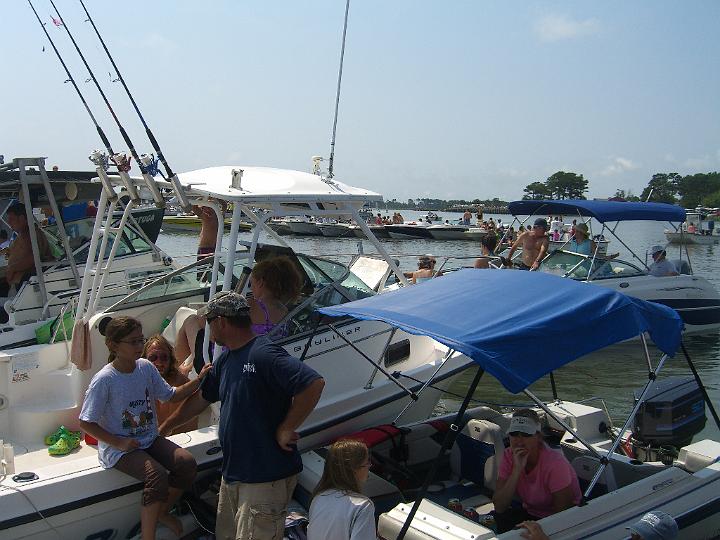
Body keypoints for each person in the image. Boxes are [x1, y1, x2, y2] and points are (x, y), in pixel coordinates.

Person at [159, 291, 325, 540]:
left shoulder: (263, 353)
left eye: (209, 321)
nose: (207, 328)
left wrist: (286, 427)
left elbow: (313, 383)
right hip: (234, 476)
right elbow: (201, 399)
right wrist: (165, 428)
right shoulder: (226, 359)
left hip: (264, 479)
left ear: (221, 321)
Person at [79, 316, 210, 540]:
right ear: (113, 345)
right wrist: (119, 442)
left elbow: (171, 395)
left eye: (141, 340)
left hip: (149, 438)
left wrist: (199, 380)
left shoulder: (146, 367)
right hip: (120, 449)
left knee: (186, 464)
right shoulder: (105, 379)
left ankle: (161, 513)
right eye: (133, 342)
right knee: (156, 476)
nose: (140, 346)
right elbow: (85, 422)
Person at [175, 256, 304, 375]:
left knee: (191, 320)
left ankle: (176, 371)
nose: (251, 288)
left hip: (224, 364)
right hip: (258, 361)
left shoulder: (250, 305)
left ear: (260, 282)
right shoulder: (285, 312)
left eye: (251, 283)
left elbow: (204, 321)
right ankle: (185, 367)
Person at [492, 409, 581, 533]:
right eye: (514, 434)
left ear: (538, 437)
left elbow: (563, 513)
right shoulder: (508, 456)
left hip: (557, 519)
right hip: (529, 513)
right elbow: (500, 506)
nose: (519, 440)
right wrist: (517, 470)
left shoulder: (555, 463)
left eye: (526, 434)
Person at [307, 439, 376, 540]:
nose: (369, 466)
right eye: (367, 463)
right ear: (355, 469)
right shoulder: (362, 506)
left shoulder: (318, 498)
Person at [144, 335, 198, 435]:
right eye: (153, 358)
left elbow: (189, 428)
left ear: (170, 360)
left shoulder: (182, 385)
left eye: (164, 357)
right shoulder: (138, 383)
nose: (159, 362)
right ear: (144, 360)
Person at [1, 202, 54, 294]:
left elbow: (34, 257)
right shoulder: (22, 234)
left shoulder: (31, 235)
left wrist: (12, 268)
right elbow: (17, 251)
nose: (9, 222)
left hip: (25, 285)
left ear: (21, 218)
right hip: (17, 283)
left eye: (11, 219)